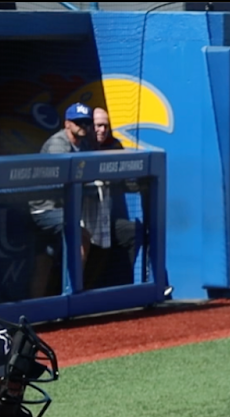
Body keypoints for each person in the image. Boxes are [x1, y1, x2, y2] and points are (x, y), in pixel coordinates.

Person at [28, 102, 95, 299]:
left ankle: (37, 309)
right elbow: (64, 178)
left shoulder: (82, 145)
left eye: (86, 122)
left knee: (44, 262)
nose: (82, 126)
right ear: (67, 124)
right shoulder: (59, 144)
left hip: (57, 208)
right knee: (81, 237)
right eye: (77, 122)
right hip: (44, 209)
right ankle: (73, 294)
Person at [84, 107, 139, 290]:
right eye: (98, 126)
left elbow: (127, 176)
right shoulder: (80, 145)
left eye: (105, 126)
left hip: (105, 217)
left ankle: (124, 290)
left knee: (133, 232)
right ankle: (79, 292)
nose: (102, 130)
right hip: (81, 216)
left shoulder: (115, 146)